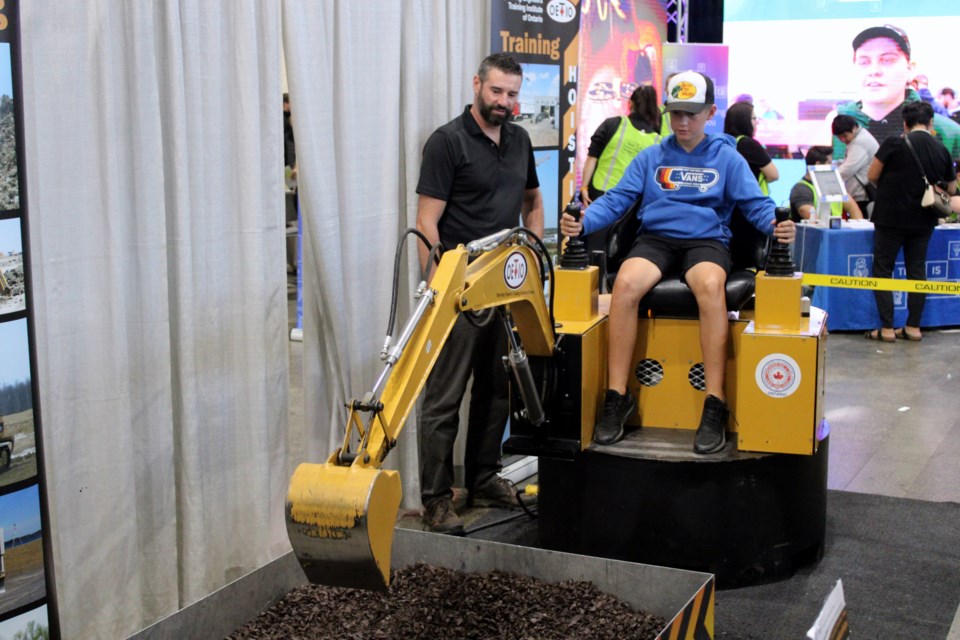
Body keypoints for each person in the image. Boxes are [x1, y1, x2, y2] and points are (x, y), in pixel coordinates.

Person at [559, 71, 795, 454]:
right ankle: (617, 396)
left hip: (706, 240)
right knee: (625, 285)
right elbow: (617, 199)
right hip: (657, 239)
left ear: (710, 113)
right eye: (676, 114)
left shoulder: (728, 158)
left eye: (692, 113)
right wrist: (585, 221)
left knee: (709, 286)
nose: (683, 122)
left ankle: (714, 401)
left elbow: (756, 205)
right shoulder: (651, 156)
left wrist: (776, 223)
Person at [415, 53, 544, 534]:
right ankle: (435, 499)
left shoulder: (521, 139)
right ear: (477, 85)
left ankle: (485, 477)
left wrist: (530, 253)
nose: (505, 102)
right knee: (444, 399)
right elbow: (427, 222)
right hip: (459, 288)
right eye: (497, 92)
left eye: (513, 94)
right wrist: (436, 288)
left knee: (496, 391)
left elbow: (532, 201)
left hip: (504, 286)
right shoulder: (447, 142)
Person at [865, 101, 957, 343]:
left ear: (904, 123)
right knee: (917, 271)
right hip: (924, 219)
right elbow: (951, 187)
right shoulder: (941, 148)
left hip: (890, 218)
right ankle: (914, 327)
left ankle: (886, 329)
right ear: (931, 123)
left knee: (883, 269)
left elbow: (872, 175)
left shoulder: (894, 143)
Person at [835, 25, 960, 161]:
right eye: (864, 62)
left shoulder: (948, 133)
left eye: (887, 60)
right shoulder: (834, 128)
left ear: (910, 69)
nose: (874, 70)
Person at [580, 85, 661, 206]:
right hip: (632, 201)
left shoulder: (613, 124)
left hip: (601, 194)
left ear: (631, 103)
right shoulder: (657, 140)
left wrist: (584, 188)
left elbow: (592, 158)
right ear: (654, 108)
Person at [788, 146, 863, 222]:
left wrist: (858, 226)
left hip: (836, 231)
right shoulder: (801, 189)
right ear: (818, 165)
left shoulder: (833, 185)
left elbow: (852, 207)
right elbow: (812, 219)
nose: (832, 167)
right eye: (829, 163)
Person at [723, 101, 779, 195]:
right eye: (754, 118)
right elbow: (774, 175)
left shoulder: (724, 142)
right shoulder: (749, 144)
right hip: (750, 203)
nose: (757, 123)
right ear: (744, 121)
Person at [831, 115, 879, 215]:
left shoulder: (860, 142)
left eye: (844, 136)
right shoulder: (861, 136)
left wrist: (826, 178)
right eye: (839, 138)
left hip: (862, 195)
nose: (843, 140)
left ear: (854, 128)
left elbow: (846, 170)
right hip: (860, 192)